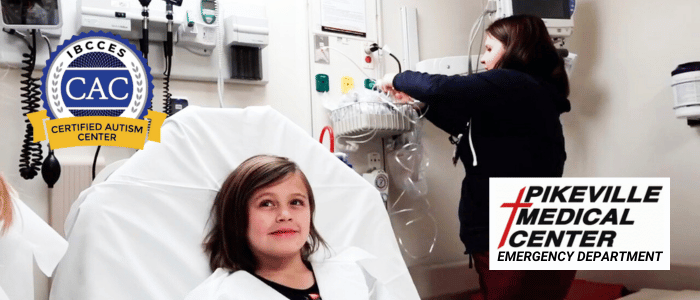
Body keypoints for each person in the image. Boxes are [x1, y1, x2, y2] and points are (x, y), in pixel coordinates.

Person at [377, 15, 575, 300]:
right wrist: (419, 104)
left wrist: (395, 78)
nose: (483, 60)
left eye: (490, 49)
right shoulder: (531, 95)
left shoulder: (513, 83)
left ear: (515, 49)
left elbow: (438, 88)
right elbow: (467, 128)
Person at [186, 154, 396, 300]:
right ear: (237, 219)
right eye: (266, 203)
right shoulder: (220, 295)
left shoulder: (353, 276)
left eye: (296, 202)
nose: (285, 215)